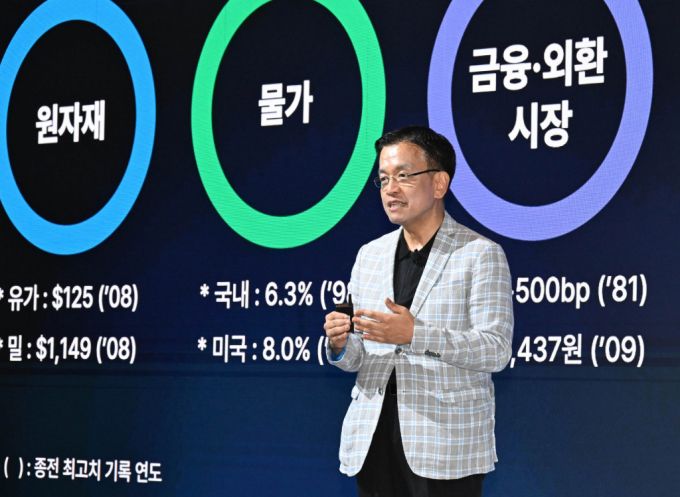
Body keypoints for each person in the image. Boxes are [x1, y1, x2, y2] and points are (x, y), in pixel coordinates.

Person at [323, 126, 514, 497]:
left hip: (445, 445)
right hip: (373, 440)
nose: (390, 189)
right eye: (383, 179)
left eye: (403, 176)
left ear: (439, 183)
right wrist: (340, 344)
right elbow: (360, 356)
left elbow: (496, 349)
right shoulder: (369, 255)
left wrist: (415, 335)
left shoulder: (480, 254)